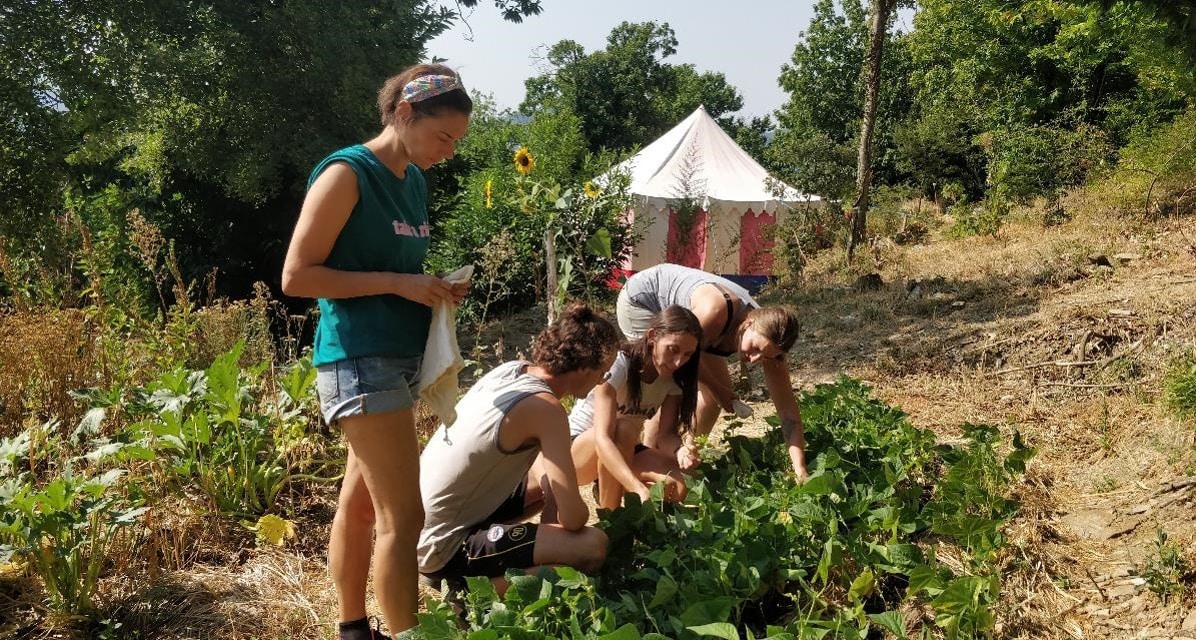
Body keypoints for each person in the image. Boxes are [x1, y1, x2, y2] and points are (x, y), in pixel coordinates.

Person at [281, 64, 471, 640]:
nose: (450, 151)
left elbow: (394, 270)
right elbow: (297, 276)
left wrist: (432, 285)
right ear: (406, 114)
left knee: (365, 507)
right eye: (444, 137)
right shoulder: (347, 174)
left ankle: (352, 627)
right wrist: (398, 283)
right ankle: (406, 632)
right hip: (358, 360)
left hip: (399, 358)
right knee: (404, 516)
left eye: (457, 142)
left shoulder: (413, 181)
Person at [417, 304, 620, 593]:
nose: (602, 381)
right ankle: (466, 592)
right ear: (585, 367)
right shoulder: (546, 409)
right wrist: (563, 520)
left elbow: (542, 472)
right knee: (592, 547)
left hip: (422, 525)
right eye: (603, 372)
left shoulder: (512, 371)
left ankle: (474, 570)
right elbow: (574, 518)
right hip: (444, 544)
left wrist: (554, 511)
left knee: (540, 479)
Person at [616, 263, 808, 481]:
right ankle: (648, 461)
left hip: (699, 333)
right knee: (665, 379)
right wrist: (717, 388)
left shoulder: (771, 342)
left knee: (713, 397)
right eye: (755, 348)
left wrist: (799, 467)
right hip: (642, 301)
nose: (756, 360)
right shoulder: (714, 312)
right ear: (748, 323)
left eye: (765, 356)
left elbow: (788, 414)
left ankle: (682, 458)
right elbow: (682, 358)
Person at [564, 305, 702, 510]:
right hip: (577, 451)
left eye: (688, 354)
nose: (678, 362)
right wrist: (635, 486)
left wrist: (680, 450)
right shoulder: (619, 365)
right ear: (653, 336)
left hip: (625, 446)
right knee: (624, 428)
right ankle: (611, 517)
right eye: (673, 350)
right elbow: (603, 438)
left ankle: (617, 494)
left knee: (679, 484)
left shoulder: (671, 383)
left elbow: (665, 437)